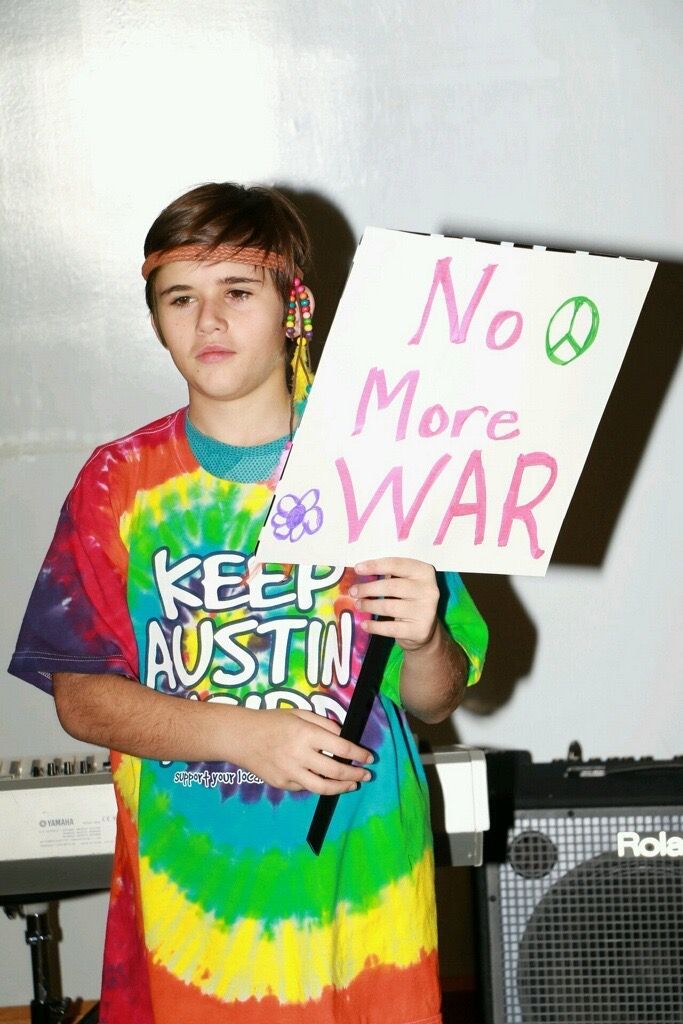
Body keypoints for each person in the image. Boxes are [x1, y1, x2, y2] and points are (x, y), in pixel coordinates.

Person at [9, 182, 488, 1024]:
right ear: (156, 319)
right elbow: (80, 697)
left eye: (237, 290)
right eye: (179, 298)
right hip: (194, 920)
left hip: (362, 907)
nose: (208, 321)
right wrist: (242, 735)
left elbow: (437, 697)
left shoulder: (378, 473)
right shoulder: (118, 483)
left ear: (293, 308)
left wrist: (423, 642)